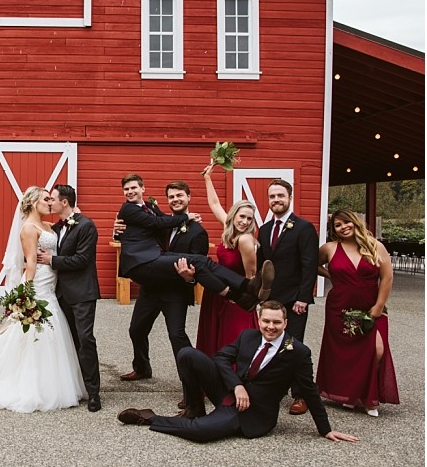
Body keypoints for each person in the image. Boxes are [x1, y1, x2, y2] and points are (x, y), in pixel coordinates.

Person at [117, 301, 359, 444]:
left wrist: (325, 429)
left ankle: (150, 418)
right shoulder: (248, 336)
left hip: (251, 413)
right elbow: (221, 358)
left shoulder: (298, 352)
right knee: (187, 354)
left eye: (276, 323)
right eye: (266, 321)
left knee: (201, 432)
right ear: (259, 320)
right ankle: (194, 408)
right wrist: (236, 385)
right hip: (228, 392)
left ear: (285, 323)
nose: (270, 327)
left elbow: (309, 390)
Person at [0, 186, 87, 413]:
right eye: (46, 199)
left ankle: (53, 379)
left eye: (51, 199)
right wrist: (27, 294)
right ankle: (31, 382)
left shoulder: (48, 225)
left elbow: (66, 226)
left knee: (53, 329)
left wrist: (75, 214)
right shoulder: (28, 229)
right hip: (39, 283)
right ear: (34, 203)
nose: (50, 203)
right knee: (36, 330)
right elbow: (30, 262)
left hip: (52, 283)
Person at [116, 174, 273, 311]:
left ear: (143, 188)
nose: (130, 191)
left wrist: (186, 220)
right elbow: (157, 222)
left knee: (202, 262)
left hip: (166, 275)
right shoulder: (128, 209)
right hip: (143, 263)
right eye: (126, 189)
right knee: (200, 261)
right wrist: (187, 217)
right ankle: (244, 288)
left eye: (133, 187)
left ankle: (242, 294)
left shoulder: (150, 207)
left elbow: (163, 219)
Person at [115, 180, 208, 411]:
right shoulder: (161, 222)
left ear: (189, 197)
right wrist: (117, 230)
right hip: (151, 289)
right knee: (136, 330)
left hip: (175, 292)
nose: (176, 200)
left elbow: (198, 269)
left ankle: (192, 389)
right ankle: (142, 367)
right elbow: (137, 234)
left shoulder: (197, 231)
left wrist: (190, 279)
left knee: (177, 337)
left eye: (180, 196)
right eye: (172, 197)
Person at [315, 209, 399, 416]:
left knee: (377, 350)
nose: (343, 227)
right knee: (345, 354)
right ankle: (351, 396)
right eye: (338, 225)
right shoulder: (329, 248)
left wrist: (378, 306)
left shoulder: (375, 246)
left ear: (354, 222)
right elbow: (311, 264)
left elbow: (387, 278)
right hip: (340, 308)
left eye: (346, 222)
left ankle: (367, 396)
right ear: (333, 230)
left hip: (371, 306)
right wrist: (332, 275)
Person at [36, 184, 101, 412]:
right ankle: (76, 386)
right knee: (69, 342)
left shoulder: (86, 226)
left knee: (85, 340)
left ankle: (94, 393)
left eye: (52, 199)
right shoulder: (56, 227)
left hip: (82, 293)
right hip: (60, 293)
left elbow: (82, 260)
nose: (50, 203)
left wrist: (52, 261)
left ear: (64, 202)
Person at [256, 178, 318, 415]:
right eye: (272, 196)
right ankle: (273, 389)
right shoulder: (264, 229)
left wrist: (303, 297)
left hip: (294, 300)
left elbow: (309, 265)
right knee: (270, 344)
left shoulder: (304, 228)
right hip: (271, 300)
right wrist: (260, 297)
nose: (276, 200)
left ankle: (301, 394)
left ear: (290, 198)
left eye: (280, 195)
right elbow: (262, 266)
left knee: (294, 346)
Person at [196, 162, 259, 357]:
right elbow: (215, 204)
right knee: (215, 335)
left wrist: (241, 300)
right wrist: (207, 178)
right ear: (233, 216)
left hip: (235, 296)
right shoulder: (228, 228)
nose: (244, 222)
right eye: (242, 216)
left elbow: (251, 276)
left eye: (249, 219)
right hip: (216, 291)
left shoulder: (245, 240)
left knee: (233, 338)